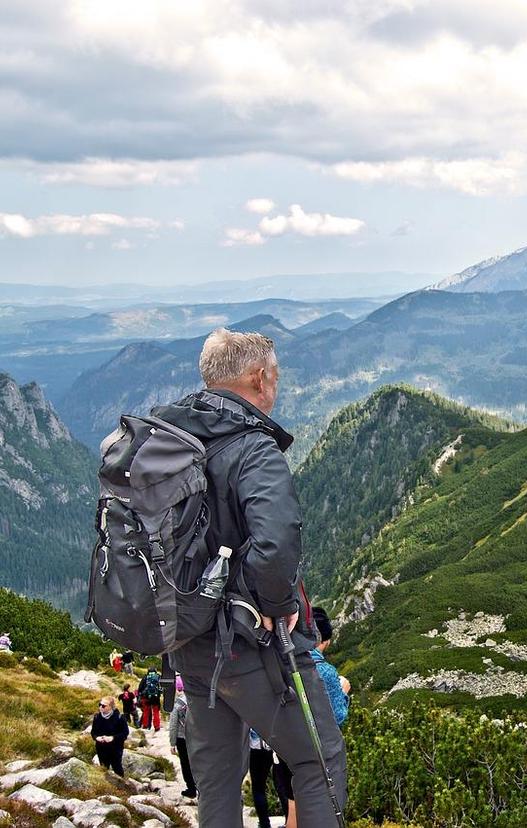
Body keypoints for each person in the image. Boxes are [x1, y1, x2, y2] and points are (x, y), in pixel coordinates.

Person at [151, 328, 346, 827]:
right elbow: (276, 544)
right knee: (317, 760)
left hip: (188, 641)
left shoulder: (171, 437)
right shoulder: (254, 447)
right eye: (275, 376)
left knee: (217, 776)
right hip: (251, 645)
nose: (276, 386)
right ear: (260, 377)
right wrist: (278, 606)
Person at [271, 607, 351, 827]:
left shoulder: (277, 663)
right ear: (323, 640)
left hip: (282, 754)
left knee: (293, 815)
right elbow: (335, 717)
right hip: (315, 759)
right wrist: (342, 693)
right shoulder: (325, 672)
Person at [168, 676, 197, 799]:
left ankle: (191, 789)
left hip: (182, 738)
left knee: (186, 764)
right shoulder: (197, 700)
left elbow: (173, 724)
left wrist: (172, 742)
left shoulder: (178, 704)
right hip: (197, 737)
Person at [90, 696, 128, 776]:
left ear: (111, 707)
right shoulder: (97, 717)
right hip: (101, 748)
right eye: (100, 704)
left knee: (117, 768)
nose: (101, 707)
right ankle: (106, 786)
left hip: (115, 748)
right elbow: (93, 732)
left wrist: (112, 738)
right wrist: (97, 738)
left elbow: (125, 733)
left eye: (103, 706)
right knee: (104, 769)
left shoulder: (119, 717)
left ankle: (121, 785)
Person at [248, 729, 275, 828]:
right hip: (271, 748)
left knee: (258, 788)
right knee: (282, 786)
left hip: (255, 749)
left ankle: (264, 823)